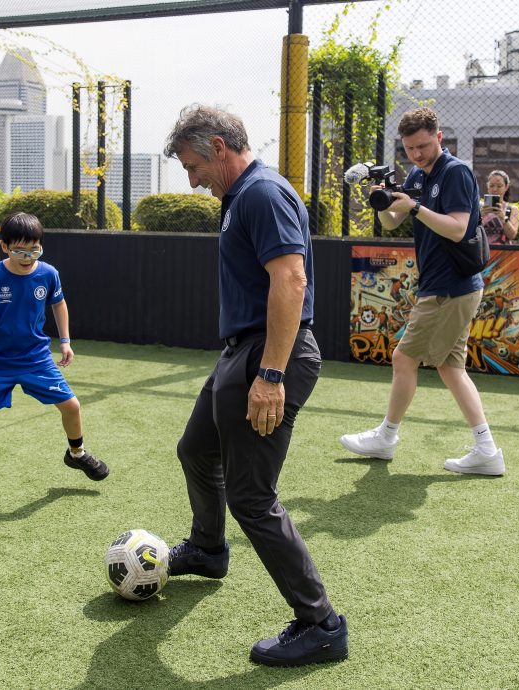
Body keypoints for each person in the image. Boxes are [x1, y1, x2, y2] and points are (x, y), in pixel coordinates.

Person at [163, 105, 347, 667]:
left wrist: (270, 374)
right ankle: (209, 548)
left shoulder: (263, 194)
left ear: (220, 147)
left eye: (194, 165)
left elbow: (291, 279)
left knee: (251, 495)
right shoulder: (239, 198)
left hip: (270, 358)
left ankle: (322, 624)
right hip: (241, 352)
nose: (191, 179)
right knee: (196, 448)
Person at [340, 107, 505, 476]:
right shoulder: (416, 174)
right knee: (450, 368)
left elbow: (459, 228)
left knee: (403, 358)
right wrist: (381, 198)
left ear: (439, 137)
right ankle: (487, 450)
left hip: (451, 287)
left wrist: (415, 206)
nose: (416, 154)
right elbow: (392, 221)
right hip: (445, 286)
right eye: (410, 148)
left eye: (423, 146)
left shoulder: (456, 172)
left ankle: (386, 437)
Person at [0, 212, 109, 511]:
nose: (27, 257)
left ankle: (76, 454)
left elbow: (59, 303)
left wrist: (65, 341)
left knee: (72, 406)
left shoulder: (48, 273)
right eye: (19, 251)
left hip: (35, 357)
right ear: (4, 247)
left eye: (34, 250)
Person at [481, 170, 519, 245]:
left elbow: (512, 235)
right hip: (481, 251)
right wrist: (479, 216)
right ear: (487, 186)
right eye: (491, 185)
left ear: (506, 187)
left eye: (499, 186)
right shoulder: (478, 207)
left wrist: (503, 218)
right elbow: (467, 231)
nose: (495, 189)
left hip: (503, 253)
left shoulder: (511, 209)